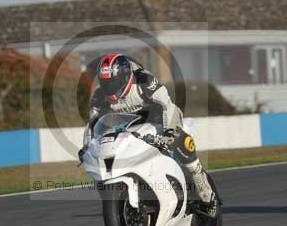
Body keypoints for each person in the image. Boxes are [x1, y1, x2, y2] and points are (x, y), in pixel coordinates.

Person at [80, 53, 218, 216]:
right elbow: (93, 122)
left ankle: (202, 185)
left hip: (160, 120)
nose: (109, 87)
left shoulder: (144, 81)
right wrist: (87, 146)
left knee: (182, 140)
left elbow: (166, 105)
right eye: (105, 83)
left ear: (124, 77)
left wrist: (169, 132)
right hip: (129, 126)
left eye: (113, 82)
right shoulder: (99, 94)